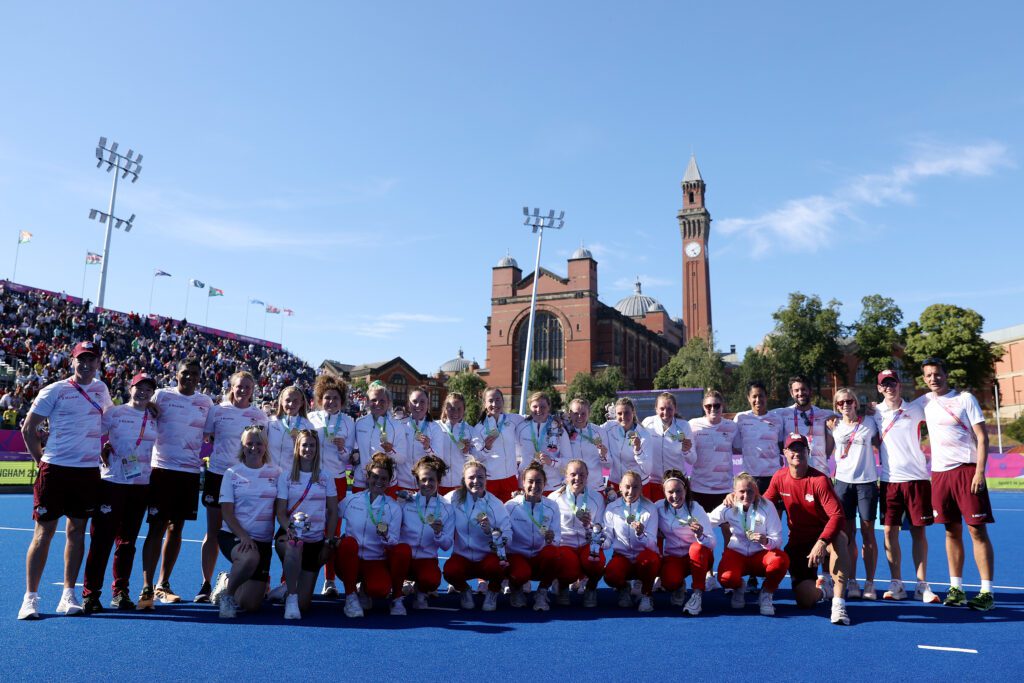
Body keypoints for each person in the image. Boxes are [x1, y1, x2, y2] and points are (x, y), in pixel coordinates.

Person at [19, 341, 113, 620]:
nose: (86, 365)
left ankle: (68, 594)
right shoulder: (55, 390)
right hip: (56, 469)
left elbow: (108, 421)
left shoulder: (102, 389)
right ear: (71, 362)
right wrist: (40, 461)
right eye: (80, 360)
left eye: (91, 360)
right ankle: (30, 599)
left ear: (98, 363)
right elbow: (28, 428)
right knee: (43, 533)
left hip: (86, 472)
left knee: (76, 532)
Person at [918, 357, 996, 611]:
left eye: (937, 373)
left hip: (967, 470)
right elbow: (897, 408)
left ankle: (986, 592)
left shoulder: (965, 399)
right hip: (940, 475)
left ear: (946, 374)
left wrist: (980, 472)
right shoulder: (925, 402)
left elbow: (983, 438)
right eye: (928, 375)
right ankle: (956, 588)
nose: (933, 378)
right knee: (951, 530)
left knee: (977, 530)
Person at [82, 373, 159, 613]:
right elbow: (93, 435)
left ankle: (120, 592)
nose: (143, 392)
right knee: (102, 540)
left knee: (127, 542)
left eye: (148, 389)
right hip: (113, 483)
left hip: (141, 484)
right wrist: (100, 452)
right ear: (130, 388)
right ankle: (91, 594)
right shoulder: (114, 413)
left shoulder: (155, 416)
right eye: (139, 387)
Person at [139, 358, 213, 609]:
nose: (189, 377)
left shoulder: (206, 402)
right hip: (161, 470)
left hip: (189, 473)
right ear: (176, 374)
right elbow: (139, 408)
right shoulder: (161, 396)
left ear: (199, 376)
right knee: (156, 528)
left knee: (176, 529)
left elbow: (215, 431)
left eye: (194, 373)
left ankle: (163, 584)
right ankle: (146, 588)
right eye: (185, 373)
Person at [763, 433, 851, 625]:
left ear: (807, 452)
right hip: (799, 543)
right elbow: (762, 504)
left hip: (823, 538)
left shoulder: (819, 480)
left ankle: (838, 602)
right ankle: (824, 591)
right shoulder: (779, 477)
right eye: (792, 449)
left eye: (801, 448)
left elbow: (837, 516)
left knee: (841, 539)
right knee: (805, 601)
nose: (797, 453)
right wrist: (735, 498)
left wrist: (821, 542)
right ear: (785, 453)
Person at [197, 370, 269, 603]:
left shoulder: (259, 416)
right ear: (232, 387)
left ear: (253, 390)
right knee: (213, 531)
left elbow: (263, 448)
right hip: (218, 476)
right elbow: (205, 439)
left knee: (246, 529)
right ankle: (206, 584)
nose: (243, 390)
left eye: (248, 387)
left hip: (247, 480)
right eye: (240, 386)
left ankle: (238, 577)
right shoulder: (217, 411)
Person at [871, 368, 938, 603]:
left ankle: (922, 585)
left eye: (893, 383)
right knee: (890, 532)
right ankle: (896, 583)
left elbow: (939, 399)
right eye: (884, 384)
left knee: (919, 532)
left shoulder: (917, 407)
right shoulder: (874, 412)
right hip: (889, 481)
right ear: (879, 388)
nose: (889, 387)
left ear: (900, 385)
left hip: (917, 478)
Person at [215, 425, 283, 618]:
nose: (254, 447)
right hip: (233, 536)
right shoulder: (232, 473)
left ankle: (228, 580)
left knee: (251, 605)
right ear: (243, 447)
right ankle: (227, 597)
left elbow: (280, 509)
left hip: (262, 541)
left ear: (266, 446)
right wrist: (243, 536)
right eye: (249, 443)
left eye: (259, 443)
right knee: (250, 557)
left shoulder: (276, 473)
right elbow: (226, 512)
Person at [272, 430, 339, 620]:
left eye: (312, 445)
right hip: (290, 536)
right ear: (297, 448)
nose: (308, 449)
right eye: (304, 445)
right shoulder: (286, 477)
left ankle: (286, 589)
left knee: (306, 605)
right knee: (294, 548)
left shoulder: (326, 477)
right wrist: (290, 530)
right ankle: (291, 598)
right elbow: (280, 512)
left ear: (317, 449)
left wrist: (328, 540)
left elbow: (333, 511)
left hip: (316, 540)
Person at [335, 453, 409, 617]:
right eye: (375, 477)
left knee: (380, 590)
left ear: (389, 481)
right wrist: (333, 539)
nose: (379, 482)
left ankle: (366, 591)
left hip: (374, 561)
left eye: (384, 478)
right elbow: (332, 514)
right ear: (367, 477)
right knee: (347, 543)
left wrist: (385, 536)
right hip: (348, 560)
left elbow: (394, 541)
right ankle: (350, 597)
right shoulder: (352, 500)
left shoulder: (393, 507)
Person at [709, 473, 788, 616]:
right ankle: (739, 587)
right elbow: (708, 521)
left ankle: (766, 593)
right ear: (734, 493)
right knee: (726, 579)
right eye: (742, 492)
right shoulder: (728, 506)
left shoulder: (767, 506)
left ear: (756, 491)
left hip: (761, 554)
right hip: (737, 553)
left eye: (750, 491)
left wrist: (765, 541)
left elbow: (777, 539)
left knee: (780, 561)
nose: (746, 495)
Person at [307, 373, 356, 598]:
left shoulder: (349, 422)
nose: (331, 402)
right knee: (309, 526)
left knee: (333, 530)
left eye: (335, 398)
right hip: (314, 478)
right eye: (327, 397)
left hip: (337, 479)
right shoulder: (311, 418)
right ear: (320, 398)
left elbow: (350, 459)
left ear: (342, 401)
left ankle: (330, 580)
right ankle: (299, 577)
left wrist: (343, 449)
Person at [442, 459, 512, 611]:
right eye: (471, 477)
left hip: (487, 558)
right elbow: (435, 504)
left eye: (480, 477)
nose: (476, 481)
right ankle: (465, 590)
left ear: (486, 479)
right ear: (464, 479)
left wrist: (492, 532)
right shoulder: (453, 498)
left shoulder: (495, 504)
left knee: (500, 566)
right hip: (462, 557)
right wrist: (411, 498)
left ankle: (493, 591)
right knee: (449, 571)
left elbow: (508, 534)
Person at [830, 387, 879, 600]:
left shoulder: (869, 422)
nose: (845, 405)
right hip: (843, 484)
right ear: (836, 406)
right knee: (847, 536)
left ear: (856, 403)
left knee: (868, 534)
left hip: (866, 484)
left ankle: (870, 583)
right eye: (841, 403)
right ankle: (851, 581)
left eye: (849, 401)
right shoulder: (834, 425)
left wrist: (874, 408)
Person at [395, 454, 455, 610]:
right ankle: (397, 597)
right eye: (423, 479)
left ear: (439, 481)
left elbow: (447, 545)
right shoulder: (405, 502)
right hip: (403, 559)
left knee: (431, 579)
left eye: (432, 480)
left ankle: (421, 593)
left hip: (426, 559)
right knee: (398, 554)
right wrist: (397, 504)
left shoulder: (447, 508)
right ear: (417, 481)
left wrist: (438, 534)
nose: (427, 483)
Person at [505, 462, 563, 611]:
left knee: (554, 554)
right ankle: (516, 589)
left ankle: (542, 592)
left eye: (539, 482)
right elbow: (504, 534)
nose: (534, 486)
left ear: (545, 484)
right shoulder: (511, 506)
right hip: (518, 555)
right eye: (530, 481)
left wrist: (552, 538)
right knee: (520, 573)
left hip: (539, 556)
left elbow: (557, 537)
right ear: (523, 483)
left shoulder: (552, 506)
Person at [549, 459, 606, 607]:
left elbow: (601, 528)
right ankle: (563, 586)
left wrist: (590, 526)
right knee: (568, 570)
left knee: (597, 561)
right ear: (566, 476)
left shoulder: (597, 498)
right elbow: (549, 527)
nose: (577, 479)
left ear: (587, 476)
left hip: (587, 543)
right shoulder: (554, 498)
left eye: (582, 475)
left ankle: (591, 588)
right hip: (565, 545)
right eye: (573, 474)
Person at [657, 470, 715, 615]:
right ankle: (678, 586)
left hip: (699, 558)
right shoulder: (657, 508)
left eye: (679, 491)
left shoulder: (695, 508)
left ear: (685, 490)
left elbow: (712, 543)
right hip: (674, 557)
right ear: (664, 492)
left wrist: (700, 535)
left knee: (696, 548)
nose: (675, 496)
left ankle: (697, 594)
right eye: (670, 492)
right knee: (669, 582)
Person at [602, 470, 660, 612]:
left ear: (641, 489)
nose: (630, 491)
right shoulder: (611, 508)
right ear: (620, 487)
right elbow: (608, 537)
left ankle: (646, 594)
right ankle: (624, 587)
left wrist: (641, 534)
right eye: (627, 487)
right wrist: (599, 541)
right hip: (622, 557)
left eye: (635, 487)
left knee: (650, 560)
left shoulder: (650, 508)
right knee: (610, 575)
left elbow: (652, 543)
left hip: (644, 556)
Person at [352, 382, 412, 495]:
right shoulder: (360, 423)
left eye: (382, 400)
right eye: (373, 400)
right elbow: (355, 450)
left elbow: (402, 458)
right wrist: (353, 456)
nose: (377, 403)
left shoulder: (397, 426)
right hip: (362, 481)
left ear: (389, 402)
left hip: (386, 482)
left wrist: (390, 451)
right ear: (368, 402)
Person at [771, 375, 836, 475]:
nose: (800, 393)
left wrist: (868, 412)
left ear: (810, 391)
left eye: (803, 389)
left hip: (821, 474)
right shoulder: (782, 414)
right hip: (796, 475)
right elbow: (760, 414)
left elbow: (849, 416)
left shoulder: (824, 414)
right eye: (796, 390)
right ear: (791, 393)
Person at [733, 381, 786, 494]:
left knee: (774, 510)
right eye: (754, 396)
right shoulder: (741, 418)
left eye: (761, 396)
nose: (758, 400)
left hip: (774, 475)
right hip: (751, 476)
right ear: (748, 398)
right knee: (751, 510)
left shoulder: (777, 419)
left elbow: (780, 444)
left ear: (766, 397)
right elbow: (737, 446)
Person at [473, 387, 524, 502]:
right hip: (490, 480)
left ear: (503, 401)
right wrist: (486, 448)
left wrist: (554, 419)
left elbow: (534, 419)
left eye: (498, 400)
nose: (494, 403)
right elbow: (477, 457)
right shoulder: (479, 428)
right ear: (485, 404)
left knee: (509, 514)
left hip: (510, 478)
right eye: (490, 400)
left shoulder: (513, 419)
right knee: (491, 515)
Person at [516, 391, 572, 493]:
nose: (538, 410)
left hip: (551, 485)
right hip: (526, 485)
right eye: (535, 406)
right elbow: (515, 454)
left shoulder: (558, 428)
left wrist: (552, 462)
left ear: (549, 407)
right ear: (529, 407)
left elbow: (569, 460)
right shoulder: (521, 427)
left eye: (543, 407)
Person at [641, 393, 693, 501]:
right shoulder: (647, 423)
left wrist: (686, 451)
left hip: (677, 483)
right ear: (656, 409)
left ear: (675, 409)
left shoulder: (684, 426)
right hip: (653, 483)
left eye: (669, 409)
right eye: (662, 408)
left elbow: (692, 459)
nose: (665, 413)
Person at [601, 397, 651, 492]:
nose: (623, 417)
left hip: (637, 485)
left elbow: (647, 469)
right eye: (619, 413)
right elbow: (593, 431)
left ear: (633, 412)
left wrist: (638, 450)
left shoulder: (644, 435)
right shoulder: (609, 427)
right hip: (615, 483)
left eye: (626, 413)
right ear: (615, 414)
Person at [562, 398, 609, 486]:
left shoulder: (599, 432)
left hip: (595, 486)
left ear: (589, 414)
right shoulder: (563, 432)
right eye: (576, 413)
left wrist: (605, 483)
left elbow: (608, 464)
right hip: (572, 485)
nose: (579, 416)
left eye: (583, 414)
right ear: (570, 413)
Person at [267, 385, 314, 469]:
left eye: (295, 401)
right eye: (287, 400)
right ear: (281, 401)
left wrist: (299, 445)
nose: (291, 404)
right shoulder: (270, 422)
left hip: (293, 477)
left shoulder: (308, 426)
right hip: (270, 475)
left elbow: (312, 455)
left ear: (302, 403)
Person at [438, 393, 476, 493]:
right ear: (445, 409)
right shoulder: (435, 427)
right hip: (439, 481)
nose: (455, 412)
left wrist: (467, 452)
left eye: (459, 409)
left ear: (464, 410)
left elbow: (475, 458)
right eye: (451, 408)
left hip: (461, 482)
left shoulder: (470, 430)